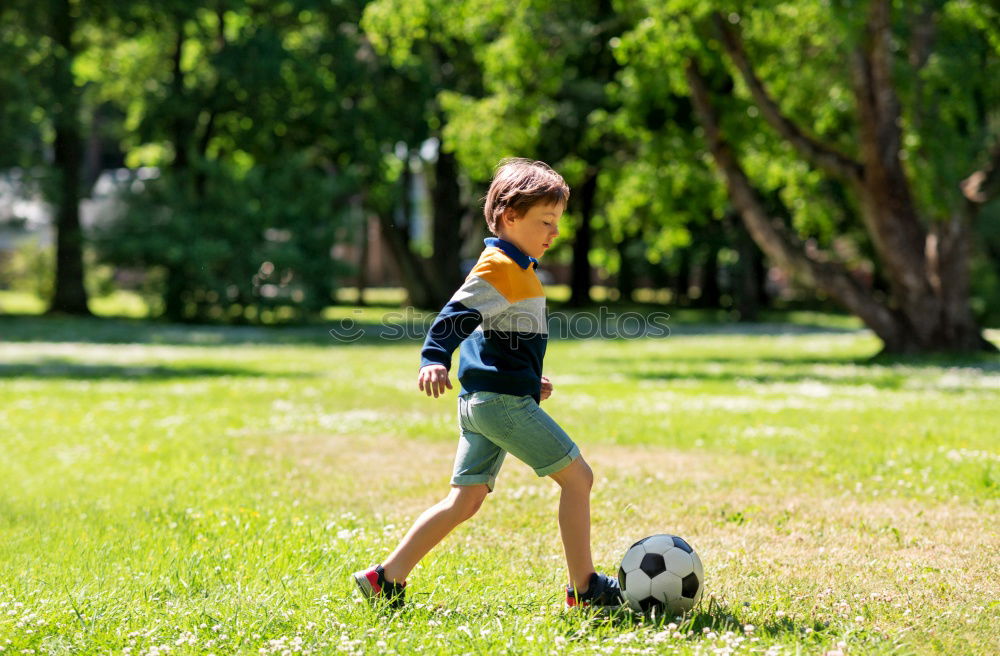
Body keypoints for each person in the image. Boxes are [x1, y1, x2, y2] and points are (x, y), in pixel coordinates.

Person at [352, 158, 622, 609]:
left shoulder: (519, 267)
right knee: (579, 480)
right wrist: (434, 358)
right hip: (499, 406)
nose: (554, 233)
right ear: (509, 216)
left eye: (557, 222)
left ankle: (385, 579)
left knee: (464, 501)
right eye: (546, 222)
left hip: (488, 401)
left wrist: (528, 379)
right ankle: (586, 589)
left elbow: (493, 338)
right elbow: (454, 317)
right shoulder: (499, 266)